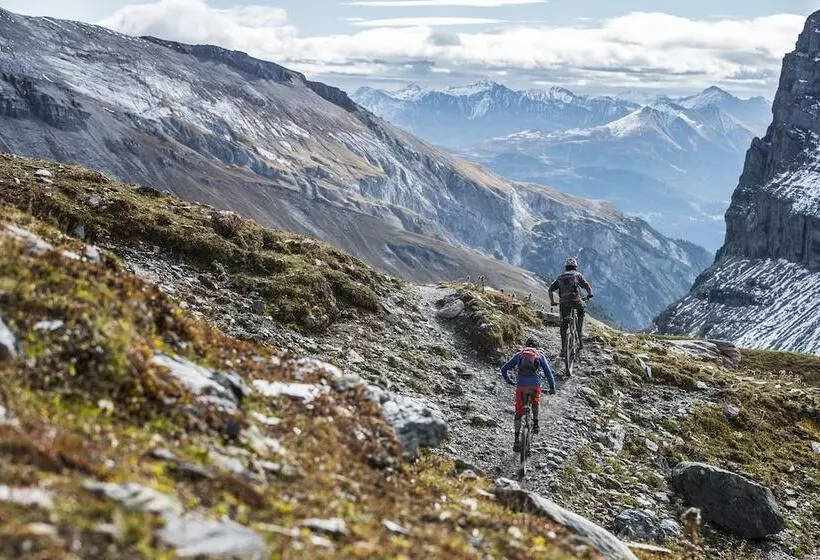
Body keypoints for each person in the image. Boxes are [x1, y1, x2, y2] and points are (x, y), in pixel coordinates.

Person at [500, 337, 556, 452]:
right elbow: (548, 373)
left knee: (518, 413)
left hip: (521, 387)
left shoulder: (519, 355)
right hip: (535, 386)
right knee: (535, 403)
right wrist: (552, 388)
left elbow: (504, 368)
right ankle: (535, 424)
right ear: (537, 347)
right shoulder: (539, 355)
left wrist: (509, 380)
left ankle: (516, 439)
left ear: (526, 346)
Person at [549, 257, 594, 357]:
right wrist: (590, 294)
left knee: (563, 326)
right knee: (582, 309)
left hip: (563, 303)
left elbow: (550, 290)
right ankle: (579, 331)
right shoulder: (578, 275)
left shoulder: (560, 277)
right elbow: (587, 286)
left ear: (566, 267)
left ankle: (563, 349)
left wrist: (552, 302)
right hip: (576, 301)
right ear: (575, 267)